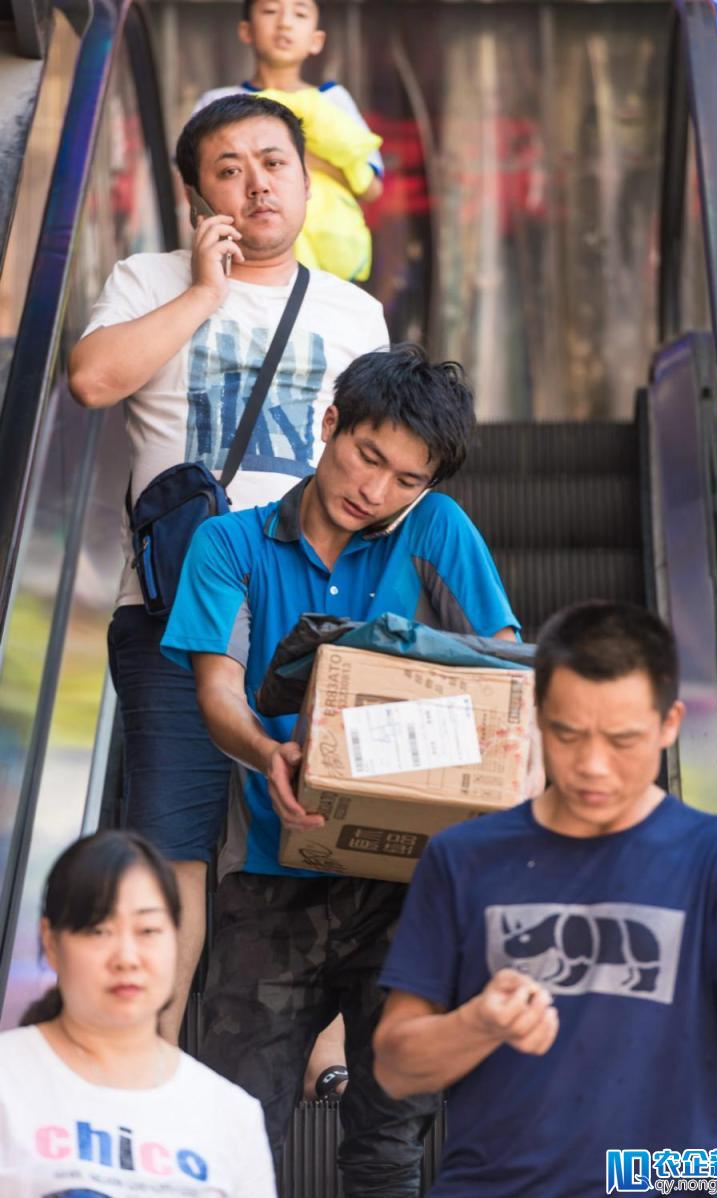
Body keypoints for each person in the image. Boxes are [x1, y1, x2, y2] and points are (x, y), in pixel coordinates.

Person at [160, 343, 521, 1194]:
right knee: (236, 1124)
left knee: (389, 1139)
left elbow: (505, 670)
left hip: (409, 884)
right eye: (368, 456)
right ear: (330, 425)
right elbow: (216, 691)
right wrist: (272, 752)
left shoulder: (437, 530)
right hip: (270, 870)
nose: (377, 490)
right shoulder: (228, 543)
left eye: (406, 479)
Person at [67, 93, 389, 1046]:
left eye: (273, 162)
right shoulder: (146, 277)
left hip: (314, 608)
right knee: (176, 847)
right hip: (171, 609)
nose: (256, 185)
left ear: (304, 174)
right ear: (195, 191)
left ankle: (323, 1045)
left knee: (319, 824)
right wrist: (205, 295)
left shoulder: (352, 311)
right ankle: (155, 1056)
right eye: (228, 169)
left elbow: (382, 469)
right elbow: (90, 381)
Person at [373, 600, 717, 1198]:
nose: (593, 766)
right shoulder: (463, 858)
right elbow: (394, 1069)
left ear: (670, 723)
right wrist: (478, 1023)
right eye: (568, 736)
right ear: (538, 719)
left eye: (623, 740)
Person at [0, 829, 276, 1198]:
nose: (127, 957)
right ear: (51, 942)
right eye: (99, 930)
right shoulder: (9, 1077)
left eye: (148, 930)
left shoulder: (231, 1112)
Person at [193, 0, 383, 281]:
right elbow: (190, 188)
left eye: (300, 13)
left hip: (330, 272)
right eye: (270, 11)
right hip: (238, 267)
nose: (284, 22)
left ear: (316, 41)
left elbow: (372, 188)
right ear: (246, 31)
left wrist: (298, 161)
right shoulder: (218, 102)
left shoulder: (332, 100)